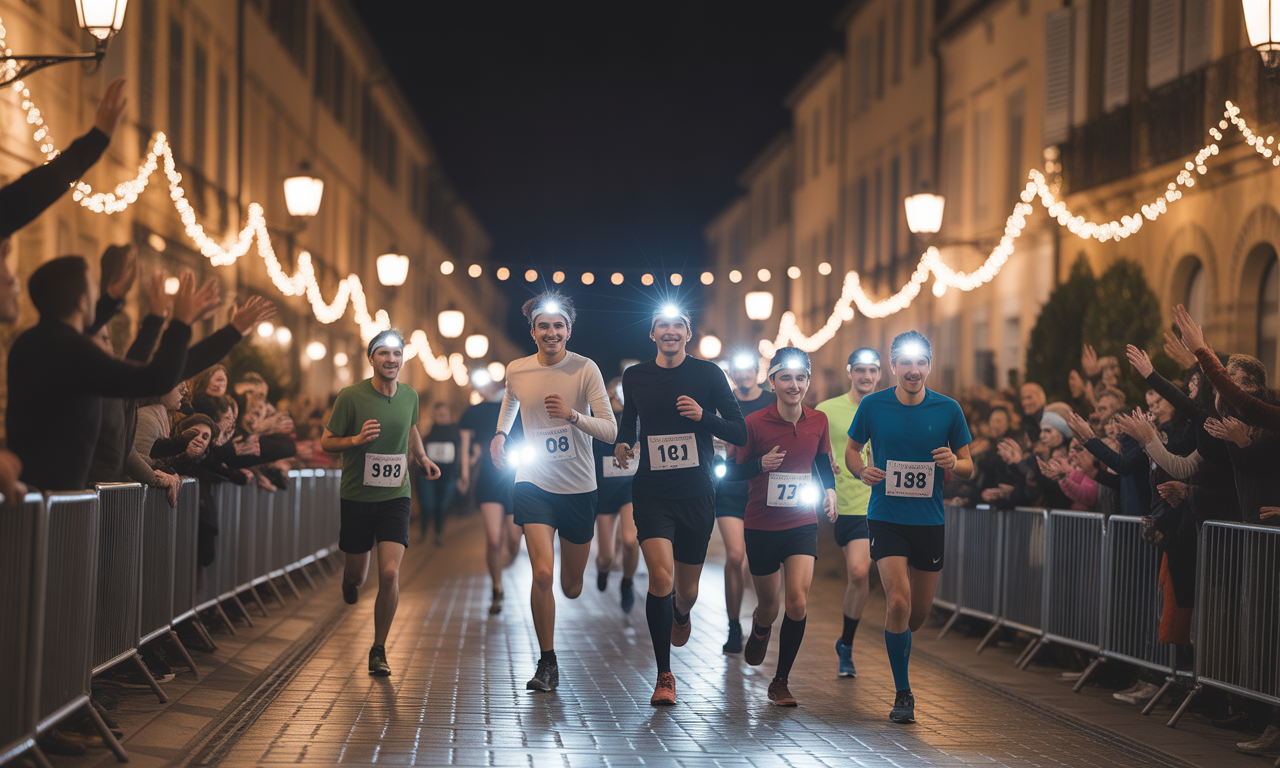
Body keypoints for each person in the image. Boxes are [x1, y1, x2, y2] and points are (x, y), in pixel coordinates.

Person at [614, 304, 747, 706]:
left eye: (678, 326)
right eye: (662, 326)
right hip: (652, 491)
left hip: (697, 493)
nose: (670, 332)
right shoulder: (635, 376)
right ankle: (664, 675)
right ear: (652, 334)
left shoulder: (708, 374)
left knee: (684, 592)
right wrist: (624, 442)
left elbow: (738, 431)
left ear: (688, 333)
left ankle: (682, 612)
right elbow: (629, 422)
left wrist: (703, 415)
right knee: (660, 578)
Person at [846, 330, 973, 724]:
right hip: (886, 517)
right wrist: (861, 469)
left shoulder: (949, 409)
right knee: (897, 602)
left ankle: (901, 641)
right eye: (906, 363)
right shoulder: (873, 405)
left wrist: (954, 462)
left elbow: (970, 466)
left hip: (929, 522)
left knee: (915, 616)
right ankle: (903, 693)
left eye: (920, 363)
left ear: (929, 367)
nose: (913, 370)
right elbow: (852, 450)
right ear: (894, 367)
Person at [492, 292, 617, 692]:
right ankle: (547, 662)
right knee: (542, 573)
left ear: (568, 329)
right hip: (533, 482)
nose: (551, 332)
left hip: (580, 486)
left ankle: (584, 575)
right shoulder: (517, 369)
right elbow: (512, 398)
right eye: (543, 326)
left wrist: (573, 416)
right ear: (533, 332)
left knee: (570, 586)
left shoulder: (585, 369)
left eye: (558, 325)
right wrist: (499, 434)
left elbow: (611, 431)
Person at [7, 261, 221, 492]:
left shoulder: (32, 342)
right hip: (54, 501)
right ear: (81, 301)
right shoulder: (71, 350)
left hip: (41, 494)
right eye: (92, 289)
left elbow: (79, 333)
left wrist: (113, 300)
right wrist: (180, 323)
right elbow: (158, 379)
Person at [320, 329, 441, 676]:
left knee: (389, 572)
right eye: (383, 353)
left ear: (403, 359)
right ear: (371, 358)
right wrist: (356, 439)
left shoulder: (410, 396)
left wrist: (421, 458)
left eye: (397, 354)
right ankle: (349, 579)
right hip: (357, 496)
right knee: (358, 576)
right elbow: (327, 441)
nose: (391, 360)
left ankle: (378, 648)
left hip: (395, 496)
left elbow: (411, 428)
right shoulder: (351, 397)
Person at [724, 348, 836, 706]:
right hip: (761, 524)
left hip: (801, 522)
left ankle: (781, 681)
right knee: (770, 605)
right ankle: (760, 626)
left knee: (798, 602)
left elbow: (821, 463)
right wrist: (760, 463)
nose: (794, 384)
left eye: (801, 377)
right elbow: (732, 472)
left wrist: (830, 492)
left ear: (808, 381)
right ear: (771, 381)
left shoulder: (818, 421)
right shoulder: (753, 423)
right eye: (786, 377)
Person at [816, 347, 880, 678]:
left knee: (863, 572)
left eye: (872, 370)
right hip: (846, 504)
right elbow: (813, 449)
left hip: (883, 503)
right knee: (857, 571)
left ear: (880, 374)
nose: (866, 376)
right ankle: (848, 644)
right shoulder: (827, 410)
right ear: (849, 372)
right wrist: (824, 474)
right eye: (861, 370)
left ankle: (848, 645)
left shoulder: (888, 408)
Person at [714, 353, 776, 653]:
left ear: (758, 371)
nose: (744, 375)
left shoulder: (771, 402)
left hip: (762, 490)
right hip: (731, 487)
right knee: (736, 556)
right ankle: (733, 626)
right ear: (732, 374)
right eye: (737, 371)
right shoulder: (722, 402)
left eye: (749, 369)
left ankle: (760, 618)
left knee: (756, 563)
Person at [459, 372, 523, 613]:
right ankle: (497, 588)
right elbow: (466, 446)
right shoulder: (472, 411)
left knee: (515, 542)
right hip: (488, 477)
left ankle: (506, 565)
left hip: (515, 477)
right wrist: (464, 474)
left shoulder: (516, 406)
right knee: (494, 539)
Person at [592, 376, 640, 612]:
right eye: (611, 393)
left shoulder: (636, 420)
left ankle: (628, 583)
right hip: (605, 491)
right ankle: (602, 569)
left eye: (620, 393)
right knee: (606, 557)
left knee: (631, 540)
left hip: (630, 487)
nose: (615, 397)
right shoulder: (597, 421)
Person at [418, 402, 465, 544]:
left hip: (448, 474)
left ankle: (438, 535)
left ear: (450, 414)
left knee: (442, 506)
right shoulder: (429, 428)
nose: (442, 416)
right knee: (427, 505)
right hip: (427, 474)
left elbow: (463, 452)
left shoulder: (456, 430)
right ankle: (423, 533)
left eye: (444, 414)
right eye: (439, 414)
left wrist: (462, 474)